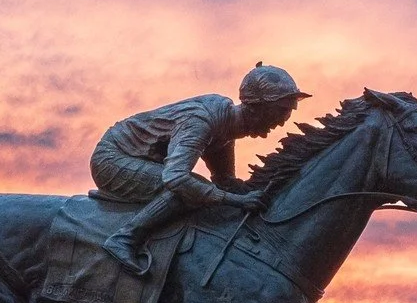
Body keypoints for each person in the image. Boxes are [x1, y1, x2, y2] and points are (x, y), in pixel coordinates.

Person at [94, 63, 311, 275]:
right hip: (113, 159)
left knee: (202, 190)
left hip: (144, 162)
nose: (283, 122)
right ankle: (125, 238)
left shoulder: (226, 128)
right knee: (188, 191)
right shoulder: (202, 122)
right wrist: (236, 200)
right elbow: (176, 178)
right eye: (281, 111)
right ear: (256, 108)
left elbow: (224, 181)